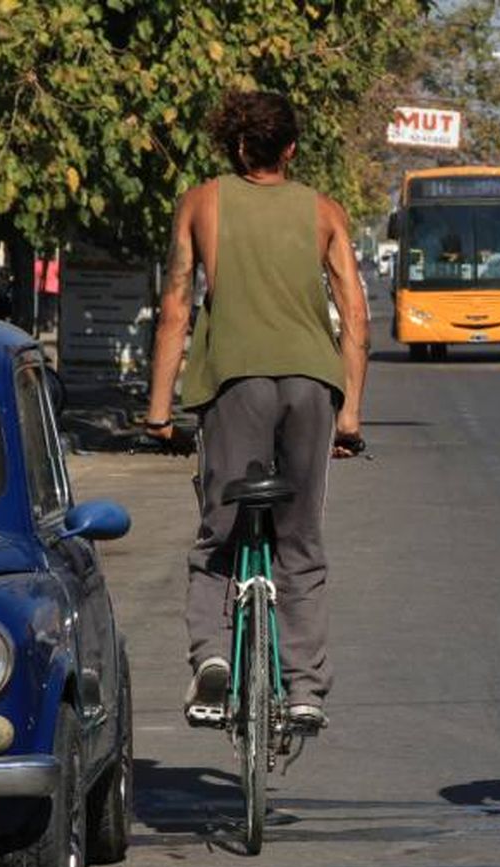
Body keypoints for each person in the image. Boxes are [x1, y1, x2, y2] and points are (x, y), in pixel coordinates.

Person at [145, 89, 369, 729]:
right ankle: (303, 688)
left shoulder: (201, 202)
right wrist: (349, 412)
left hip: (233, 379)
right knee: (300, 538)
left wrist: (160, 412)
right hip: (310, 382)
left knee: (221, 530)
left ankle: (212, 659)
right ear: (291, 148)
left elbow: (176, 310)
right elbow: (354, 314)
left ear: (232, 145)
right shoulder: (324, 211)